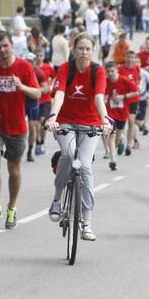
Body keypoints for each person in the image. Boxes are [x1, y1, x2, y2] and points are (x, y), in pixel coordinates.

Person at [45, 33, 111, 241]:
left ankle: (86, 221)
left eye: (87, 49)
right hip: (64, 121)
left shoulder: (97, 71)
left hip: (90, 124)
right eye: (80, 48)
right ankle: (57, 199)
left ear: (93, 51)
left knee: (84, 166)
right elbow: (60, 95)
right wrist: (53, 117)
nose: (84, 52)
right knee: (68, 153)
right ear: (74, 50)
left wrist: (105, 121)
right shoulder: (66, 68)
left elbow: (99, 98)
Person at [0, 30, 40, 229]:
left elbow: (37, 93)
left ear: (12, 45)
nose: (2, 50)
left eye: (5, 46)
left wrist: (21, 86)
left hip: (17, 126)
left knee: (14, 170)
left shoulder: (24, 67)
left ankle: (12, 207)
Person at [102, 60, 136, 171]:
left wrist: (123, 96)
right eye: (108, 71)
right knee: (111, 135)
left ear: (117, 71)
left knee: (116, 138)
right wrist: (104, 99)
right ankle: (113, 160)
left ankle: (121, 139)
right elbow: (101, 95)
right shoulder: (105, 81)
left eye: (112, 71)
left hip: (122, 113)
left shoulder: (124, 80)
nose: (110, 73)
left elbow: (136, 91)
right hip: (110, 113)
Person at [31, 52, 55, 157]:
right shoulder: (33, 69)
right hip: (35, 100)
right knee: (35, 124)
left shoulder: (48, 67)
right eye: (38, 55)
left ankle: (42, 143)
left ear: (44, 56)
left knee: (43, 121)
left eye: (41, 55)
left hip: (46, 99)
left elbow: (55, 77)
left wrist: (51, 85)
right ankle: (37, 142)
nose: (39, 57)